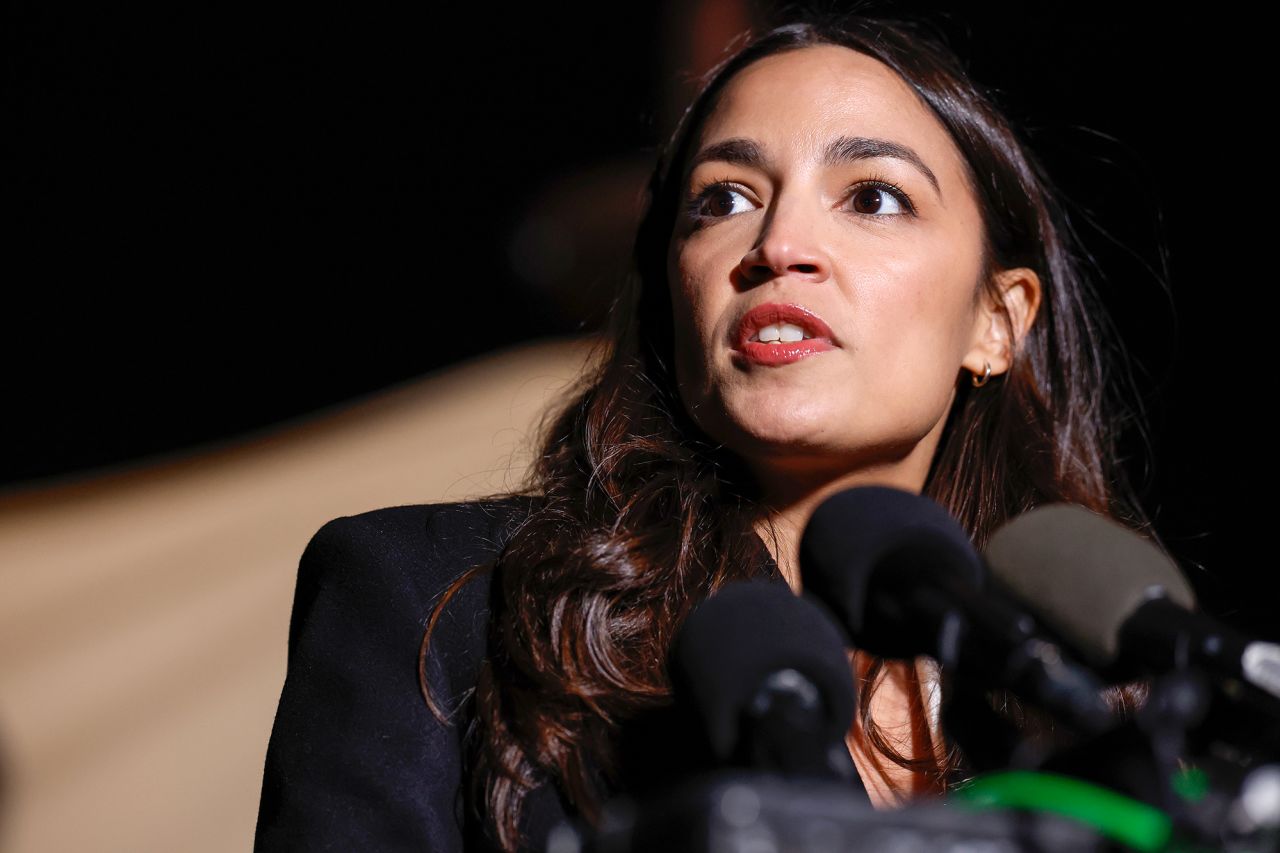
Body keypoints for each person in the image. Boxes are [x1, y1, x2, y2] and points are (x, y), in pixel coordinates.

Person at [253, 11, 1156, 853]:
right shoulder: (429, 602)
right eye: (723, 199)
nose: (780, 243)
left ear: (996, 321)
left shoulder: (1090, 713)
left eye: (873, 198)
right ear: (673, 298)